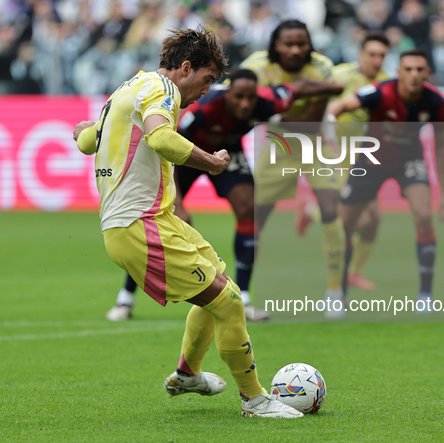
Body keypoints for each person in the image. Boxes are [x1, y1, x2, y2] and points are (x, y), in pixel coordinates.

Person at [73, 26, 302, 418]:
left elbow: (86, 142)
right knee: (230, 303)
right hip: (137, 225)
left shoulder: (127, 89)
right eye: (207, 79)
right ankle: (255, 400)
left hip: (154, 218)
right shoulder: (162, 91)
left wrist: (85, 130)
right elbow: (161, 139)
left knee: (220, 287)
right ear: (185, 67)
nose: (207, 90)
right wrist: (210, 162)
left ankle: (187, 374)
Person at [107, 69, 343, 323]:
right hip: (185, 155)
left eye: (250, 98)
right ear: (228, 93)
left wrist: (332, 88)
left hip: (226, 153)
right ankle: (125, 298)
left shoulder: (267, 100)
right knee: (157, 223)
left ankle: (246, 298)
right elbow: (167, 145)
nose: (245, 104)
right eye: (238, 97)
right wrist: (178, 203)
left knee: (249, 208)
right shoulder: (205, 109)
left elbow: (300, 86)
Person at [328, 48, 444, 311]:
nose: (414, 75)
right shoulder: (379, 91)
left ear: (428, 73)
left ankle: (425, 296)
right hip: (371, 160)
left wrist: (443, 194)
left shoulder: (435, 102)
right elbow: (342, 105)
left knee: (423, 216)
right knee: (345, 226)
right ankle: (339, 293)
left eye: (420, 70)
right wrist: (329, 119)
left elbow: (440, 147)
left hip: (409, 160)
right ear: (398, 73)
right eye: (408, 69)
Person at [240, 19, 346, 310]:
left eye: (301, 43)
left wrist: (268, 111)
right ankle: (242, 293)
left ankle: (335, 293)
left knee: (330, 208)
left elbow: (310, 124)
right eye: (289, 43)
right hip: (278, 146)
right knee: (254, 217)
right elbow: (234, 100)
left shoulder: (321, 67)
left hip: (316, 145)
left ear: (310, 44)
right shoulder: (257, 67)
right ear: (276, 45)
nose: (296, 49)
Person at [294, 32, 391, 292]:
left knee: (371, 221)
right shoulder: (341, 76)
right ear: (360, 54)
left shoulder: (388, 83)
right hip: (337, 153)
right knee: (355, 217)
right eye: (372, 54)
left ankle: (312, 213)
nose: (377, 60)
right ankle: (344, 276)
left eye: (382, 55)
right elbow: (323, 105)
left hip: (366, 158)